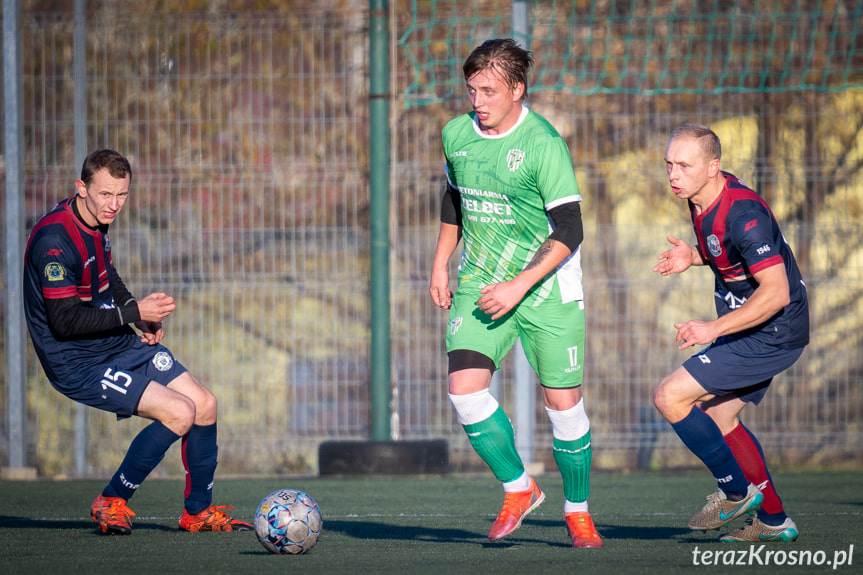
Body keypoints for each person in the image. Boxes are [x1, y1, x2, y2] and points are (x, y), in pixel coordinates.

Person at [23, 149, 252, 535]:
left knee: (205, 405)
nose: (114, 205)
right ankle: (111, 499)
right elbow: (63, 323)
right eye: (106, 194)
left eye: (122, 195)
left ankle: (196, 512)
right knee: (179, 413)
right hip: (76, 360)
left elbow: (105, 273)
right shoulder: (54, 243)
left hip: (111, 340)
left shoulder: (95, 221)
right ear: (82, 188)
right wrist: (132, 313)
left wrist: (135, 310)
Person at [429, 38, 601, 548]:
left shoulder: (544, 143)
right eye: (471, 89)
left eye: (489, 90)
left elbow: (570, 230)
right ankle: (518, 488)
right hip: (481, 280)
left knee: (563, 405)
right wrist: (440, 264)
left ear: (517, 89)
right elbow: (455, 199)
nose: (477, 101)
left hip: (546, 286)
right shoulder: (456, 134)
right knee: (464, 389)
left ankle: (578, 512)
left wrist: (520, 285)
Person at [653, 123, 809, 542]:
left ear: (713, 167)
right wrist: (695, 256)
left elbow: (776, 293)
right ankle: (774, 523)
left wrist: (712, 328)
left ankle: (735, 492)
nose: (673, 174)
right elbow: (727, 251)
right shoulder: (702, 199)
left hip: (772, 330)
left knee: (669, 395)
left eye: (684, 165)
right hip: (755, 325)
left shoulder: (744, 213)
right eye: (669, 164)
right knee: (721, 416)